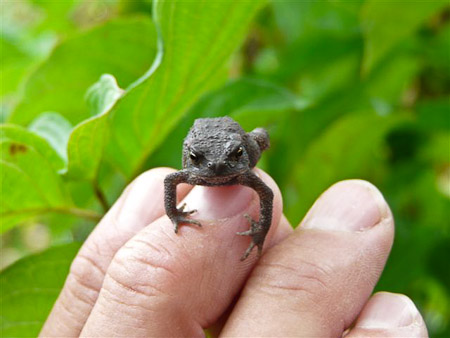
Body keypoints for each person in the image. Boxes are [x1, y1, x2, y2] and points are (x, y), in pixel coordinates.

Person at [40, 168, 428, 337]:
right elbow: (174, 179)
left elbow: (263, 193)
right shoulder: (194, 173)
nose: (218, 170)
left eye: (231, 163)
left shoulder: (240, 171)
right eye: (202, 166)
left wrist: (259, 231)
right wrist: (175, 213)